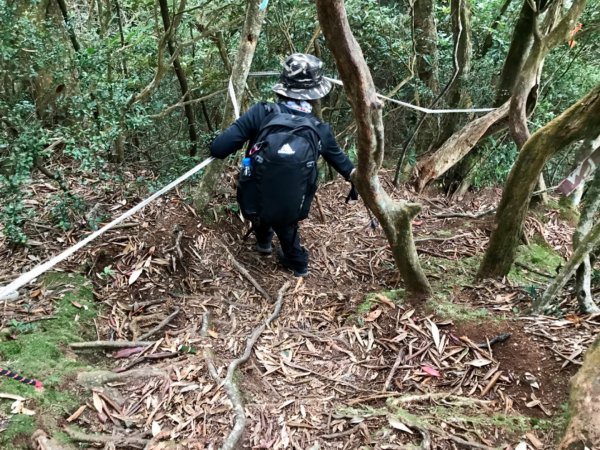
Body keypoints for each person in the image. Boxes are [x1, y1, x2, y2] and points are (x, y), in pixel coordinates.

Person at [210, 53, 354, 277]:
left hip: (254, 197)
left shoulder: (262, 113)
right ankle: (298, 264)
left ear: (283, 84)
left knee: (259, 209)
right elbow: (344, 166)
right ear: (315, 93)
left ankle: (264, 242)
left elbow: (219, 149)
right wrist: (358, 179)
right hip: (291, 204)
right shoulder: (318, 129)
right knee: (287, 230)